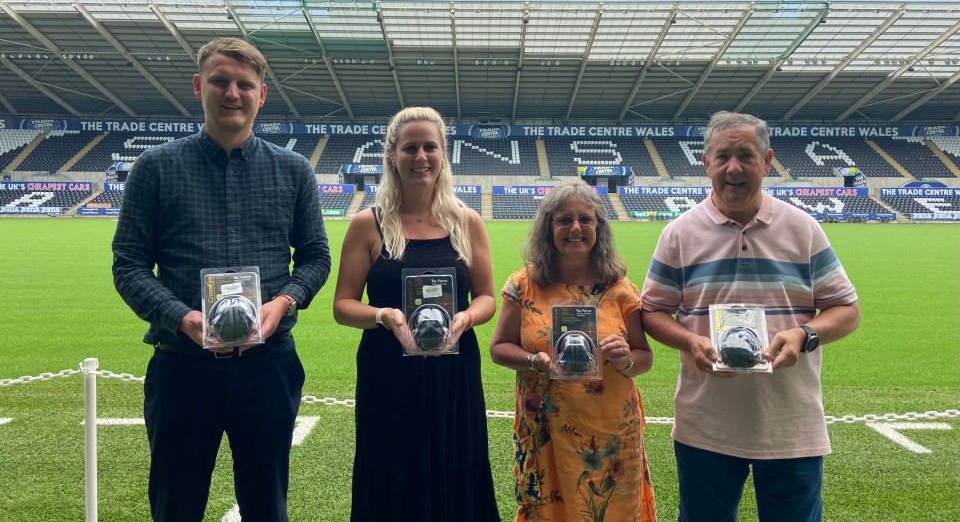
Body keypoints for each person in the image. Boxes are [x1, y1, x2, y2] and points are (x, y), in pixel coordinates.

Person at [112, 37, 331, 522]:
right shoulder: (155, 168)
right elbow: (127, 263)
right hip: (183, 366)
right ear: (198, 86)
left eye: (244, 84)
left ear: (261, 94)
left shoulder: (293, 171)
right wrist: (184, 318)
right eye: (220, 81)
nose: (232, 93)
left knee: (266, 505)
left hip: (268, 367)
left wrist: (284, 303)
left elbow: (316, 257)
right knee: (176, 504)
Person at [640, 111, 861, 522]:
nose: (734, 167)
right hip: (706, 424)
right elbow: (652, 311)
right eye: (722, 156)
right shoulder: (679, 233)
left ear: (768, 161)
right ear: (706, 164)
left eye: (746, 155)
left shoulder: (803, 229)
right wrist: (690, 341)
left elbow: (847, 310)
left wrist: (804, 335)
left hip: (790, 425)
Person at [332, 106, 499, 521]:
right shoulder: (367, 225)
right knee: (390, 461)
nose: (420, 157)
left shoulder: (467, 221)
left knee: (456, 458)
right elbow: (343, 305)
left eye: (430, 147)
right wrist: (384, 316)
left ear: (444, 154)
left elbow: (487, 297)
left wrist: (467, 318)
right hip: (388, 370)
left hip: (452, 367)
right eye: (410, 148)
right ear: (392, 156)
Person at [490, 181, 658, 522]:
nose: (575, 228)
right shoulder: (523, 284)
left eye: (586, 219)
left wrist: (626, 359)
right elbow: (498, 348)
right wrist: (533, 361)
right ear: (548, 227)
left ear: (599, 226)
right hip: (545, 427)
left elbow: (644, 357)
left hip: (609, 430)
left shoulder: (620, 288)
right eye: (564, 220)